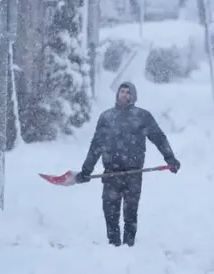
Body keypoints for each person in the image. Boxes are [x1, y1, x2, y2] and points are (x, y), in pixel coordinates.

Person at [77, 82, 180, 247]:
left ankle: (128, 247)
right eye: (121, 92)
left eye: (127, 92)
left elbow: (159, 138)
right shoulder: (106, 117)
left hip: (134, 173)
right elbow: (96, 145)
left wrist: (170, 159)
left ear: (133, 96)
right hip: (111, 173)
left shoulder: (143, 116)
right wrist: (86, 170)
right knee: (110, 213)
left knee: (130, 213)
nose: (124, 95)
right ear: (117, 94)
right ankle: (113, 246)